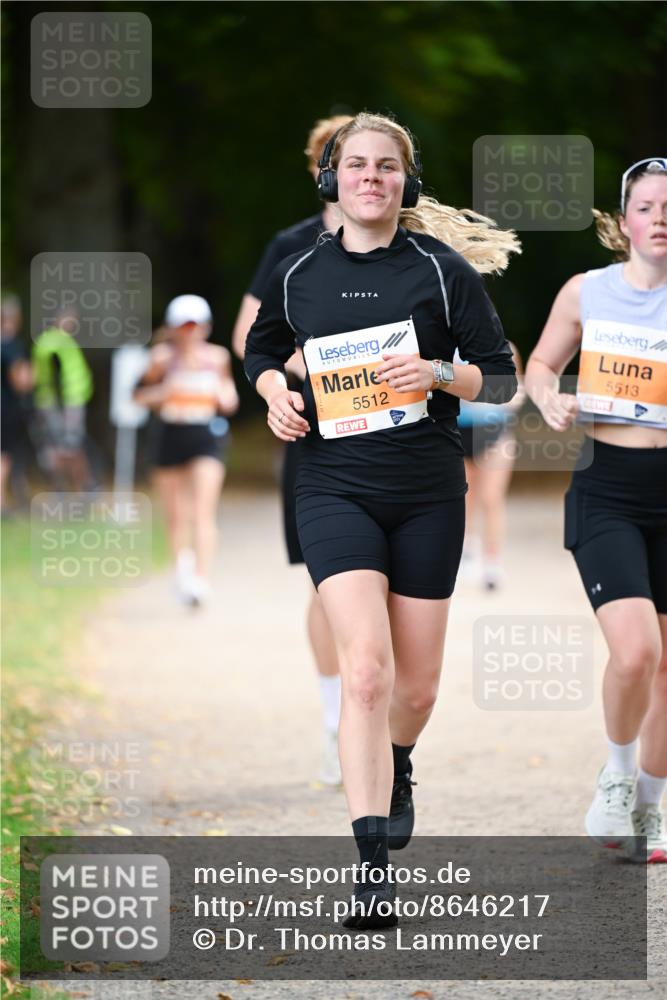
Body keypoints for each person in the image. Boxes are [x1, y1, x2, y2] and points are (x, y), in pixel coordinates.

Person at [244, 111, 520, 927]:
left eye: (386, 167)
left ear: (405, 180)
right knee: (365, 669)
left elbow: (500, 382)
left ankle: (398, 761)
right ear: (331, 178)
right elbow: (260, 352)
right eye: (356, 165)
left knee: (416, 686)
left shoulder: (440, 273)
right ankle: (369, 872)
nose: (371, 177)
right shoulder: (300, 270)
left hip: (427, 489)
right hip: (333, 486)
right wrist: (272, 396)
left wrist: (439, 372)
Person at [525, 157, 667, 863]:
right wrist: (550, 399)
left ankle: (651, 804)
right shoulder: (587, 292)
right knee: (636, 650)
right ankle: (615, 773)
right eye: (645, 206)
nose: (659, 218)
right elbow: (541, 366)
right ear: (622, 222)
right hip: (608, 484)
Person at [232, 114, 353, 787]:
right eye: (333, 158)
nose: (351, 170)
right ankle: (337, 719)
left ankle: (383, 717)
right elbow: (246, 337)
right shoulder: (291, 245)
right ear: (317, 170)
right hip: (315, 429)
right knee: (326, 576)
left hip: (399, 433)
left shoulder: (414, 242)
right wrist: (294, 366)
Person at [134, 295, 239, 607]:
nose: (191, 333)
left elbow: (229, 398)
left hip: (205, 436)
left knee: (203, 511)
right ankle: (182, 568)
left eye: (196, 326)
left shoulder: (217, 358)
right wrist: (165, 392)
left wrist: (224, 393)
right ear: (173, 328)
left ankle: (202, 579)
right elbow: (138, 396)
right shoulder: (161, 358)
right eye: (185, 326)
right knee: (176, 514)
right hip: (170, 435)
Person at [457, 341, 524, 590]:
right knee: (466, 496)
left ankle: (492, 562)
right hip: (460, 429)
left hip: (495, 430)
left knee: (491, 497)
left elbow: (517, 389)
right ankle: (467, 550)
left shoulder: (506, 348)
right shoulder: (449, 347)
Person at [31, 308, 94, 492]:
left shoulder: (53, 341)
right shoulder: (55, 342)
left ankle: (73, 488)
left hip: (66, 401)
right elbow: (50, 373)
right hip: (62, 403)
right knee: (66, 446)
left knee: (65, 445)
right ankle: (72, 487)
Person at [1, 295, 32, 513]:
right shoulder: (12, 345)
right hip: (7, 406)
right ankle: (1, 503)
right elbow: (19, 380)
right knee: (4, 455)